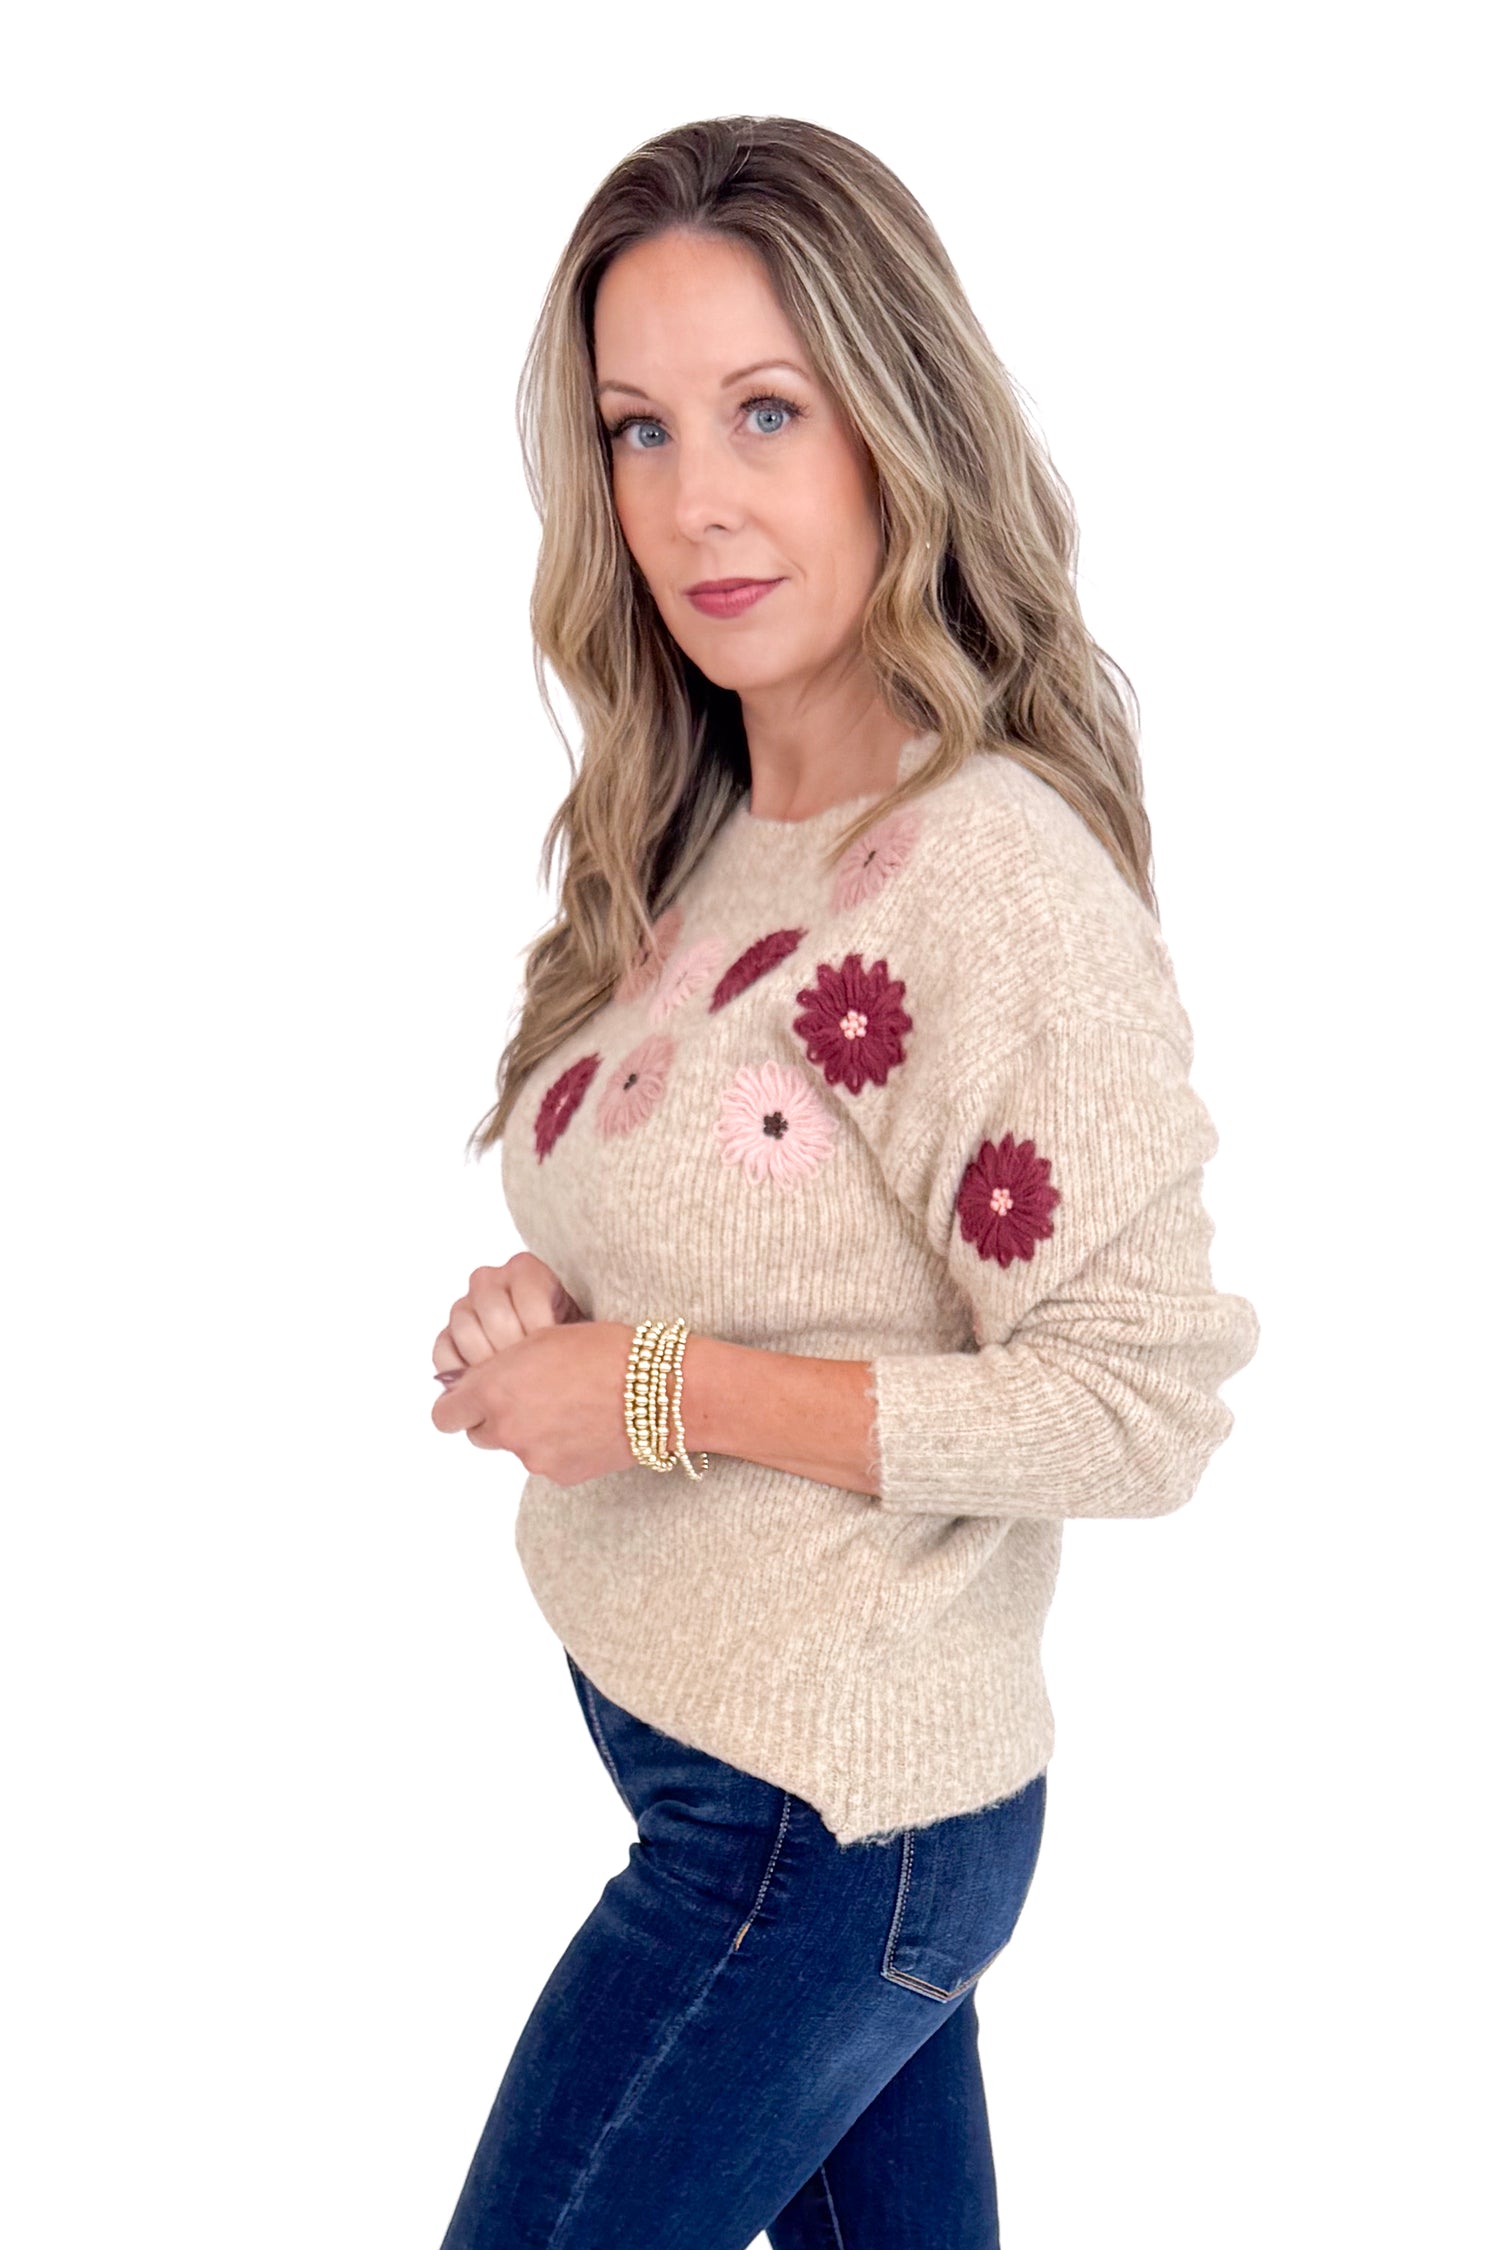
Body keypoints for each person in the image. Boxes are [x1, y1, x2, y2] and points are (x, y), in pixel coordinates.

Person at [429, 114, 1260, 2250]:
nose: (695, 499)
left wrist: (658, 1391)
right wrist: (554, 1316)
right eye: (640, 430)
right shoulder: (704, 831)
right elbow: (744, 1233)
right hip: (741, 1783)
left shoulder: (984, 873)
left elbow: (1133, 1402)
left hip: (821, 1827)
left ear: (897, 428)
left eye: (766, 412)